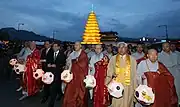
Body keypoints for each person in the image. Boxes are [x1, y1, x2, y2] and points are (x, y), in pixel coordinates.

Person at [105, 42, 137, 107]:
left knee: (127, 103)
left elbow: (134, 75)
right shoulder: (113, 59)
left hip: (128, 86)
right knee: (116, 103)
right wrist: (107, 84)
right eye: (119, 47)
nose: (121, 49)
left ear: (126, 49)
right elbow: (109, 72)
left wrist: (135, 88)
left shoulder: (132, 59)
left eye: (123, 47)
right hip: (116, 85)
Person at [62, 41, 88, 107]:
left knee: (79, 93)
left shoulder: (83, 54)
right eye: (75, 45)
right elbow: (68, 62)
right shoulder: (72, 53)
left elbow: (84, 64)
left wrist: (76, 61)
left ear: (80, 46)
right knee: (70, 91)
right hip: (72, 76)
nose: (75, 46)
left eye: (77, 45)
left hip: (80, 76)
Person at [45, 42, 66, 107]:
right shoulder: (50, 53)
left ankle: (54, 100)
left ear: (59, 47)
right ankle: (52, 101)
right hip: (50, 73)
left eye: (56, 46)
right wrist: (48, 64)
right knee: (53, 87)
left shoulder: (62, 54)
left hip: (58, 73)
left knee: (56, 86)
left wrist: (56, 65)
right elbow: (47, 60)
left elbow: (63, 63)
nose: (54, 48)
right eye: (53, 46)